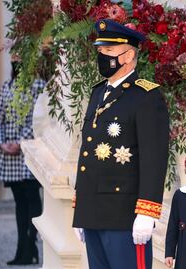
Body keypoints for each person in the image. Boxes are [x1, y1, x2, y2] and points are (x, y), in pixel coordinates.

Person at [72, 19, 169, 269]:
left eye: (109, 51)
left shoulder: (146, 96)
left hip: (125, 214)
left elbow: (153, 158)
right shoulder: (98, 93)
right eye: (100, 51)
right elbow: (88, 153)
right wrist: (81, 207)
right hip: (94, 211)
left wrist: (147, 211)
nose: (102, 56)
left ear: (128, 56)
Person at [0, 59, 44, 265]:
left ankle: (30, 248)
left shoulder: (39, 86)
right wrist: (2, 143)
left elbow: (38, 119)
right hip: (10, 158)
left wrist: (20, 143)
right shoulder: (7, 86)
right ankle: (22, 250)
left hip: (29, 155)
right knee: (20, 205)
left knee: (32, 204)